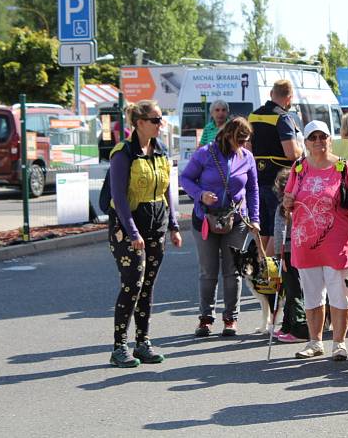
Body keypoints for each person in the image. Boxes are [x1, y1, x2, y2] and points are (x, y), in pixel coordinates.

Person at [107, 100, 183, 367]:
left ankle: (143, 342)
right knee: (132, 285)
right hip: (128, 230)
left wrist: (173, 225)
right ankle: (119, 346)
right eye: (156, 120)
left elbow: (168, 191)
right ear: (139, 123)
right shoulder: (123, 153)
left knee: (147, 286)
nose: (161, 124)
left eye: (161, 119)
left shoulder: (161, 151)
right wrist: (132, 232)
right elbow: (119, 196)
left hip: (156, 227)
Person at [284, 120, 348, 361]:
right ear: (306, 142)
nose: (318, 141)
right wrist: (286, 203)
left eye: (323, 137)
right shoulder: (299, 167)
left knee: (340, 293)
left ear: (330, 139)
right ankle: (315, 341)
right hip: (304, 242)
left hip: (336, 241)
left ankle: (339, 343)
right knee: (312, 294)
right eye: (313, 138)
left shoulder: (342, 167)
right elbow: (288, 200)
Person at [180, 117, 260, 337]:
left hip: (236, 220)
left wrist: (255, 218)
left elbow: (253, 189)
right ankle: (205, 318)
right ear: (227, 136)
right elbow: (185, 178)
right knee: (208, 271)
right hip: (206, 219)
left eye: (246, 140)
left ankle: (230, 319)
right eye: (239, 140)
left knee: (233, 271)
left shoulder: (247, 158)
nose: (243, 145)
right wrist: (200, 195)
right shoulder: (205, 153)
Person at [249, 80, 303, 253]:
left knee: (262, 229)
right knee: (276, 228)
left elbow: (248, 150)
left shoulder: (253, 116)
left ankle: (260, 273)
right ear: (289, 98)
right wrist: (301, 149)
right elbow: (291, 153)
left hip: (257, 179)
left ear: (271, 94)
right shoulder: (283, 117)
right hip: (279, 181)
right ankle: (270, 273)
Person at [272, 168, 309, 343]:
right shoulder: (302, 204)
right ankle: (287, 325)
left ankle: (300, 328)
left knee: (293, 291)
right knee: (292, 290)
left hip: (287, 252)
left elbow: (279, 233)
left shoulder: (282, 208)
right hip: (302, 250)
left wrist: (279, 256)